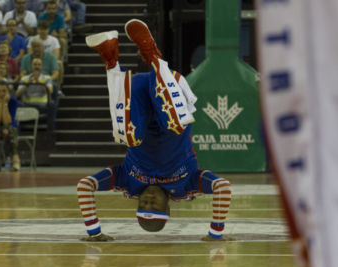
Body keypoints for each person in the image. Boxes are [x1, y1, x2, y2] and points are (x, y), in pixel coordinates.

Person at [78, 19, 233, 242]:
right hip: (168, 92)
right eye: (154, 204)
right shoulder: (186, 187)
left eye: (144, 204)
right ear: (168, 208)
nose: (148, 198)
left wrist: (94, 232)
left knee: (127, 136)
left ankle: (110, 57)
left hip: (137, 96)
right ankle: (151, 54)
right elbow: (223, 187)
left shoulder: (128, 184)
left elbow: (85, 186)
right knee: (174, 124)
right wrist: (215, 234)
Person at [15, 57, 56, 131]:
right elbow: (17, 94)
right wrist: (27, 84)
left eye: (39, 65)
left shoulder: (47, 78)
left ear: (42, 67)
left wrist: (38, 82)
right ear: (31, 67)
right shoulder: (24, 78)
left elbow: (50, 91)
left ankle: (50, 132)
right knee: (14, 102)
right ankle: (16, 130)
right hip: (27, 105)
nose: (37, 66)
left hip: (42, 106)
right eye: (35, 64)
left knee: (52, 104)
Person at [0, 81, 20, 171]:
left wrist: (5, 104)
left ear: (8, 92)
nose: (1, 93)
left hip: (9, 128)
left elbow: (7, 122)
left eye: (4, 91)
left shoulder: (13, 101)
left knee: (8, 130)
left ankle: (15, 160)